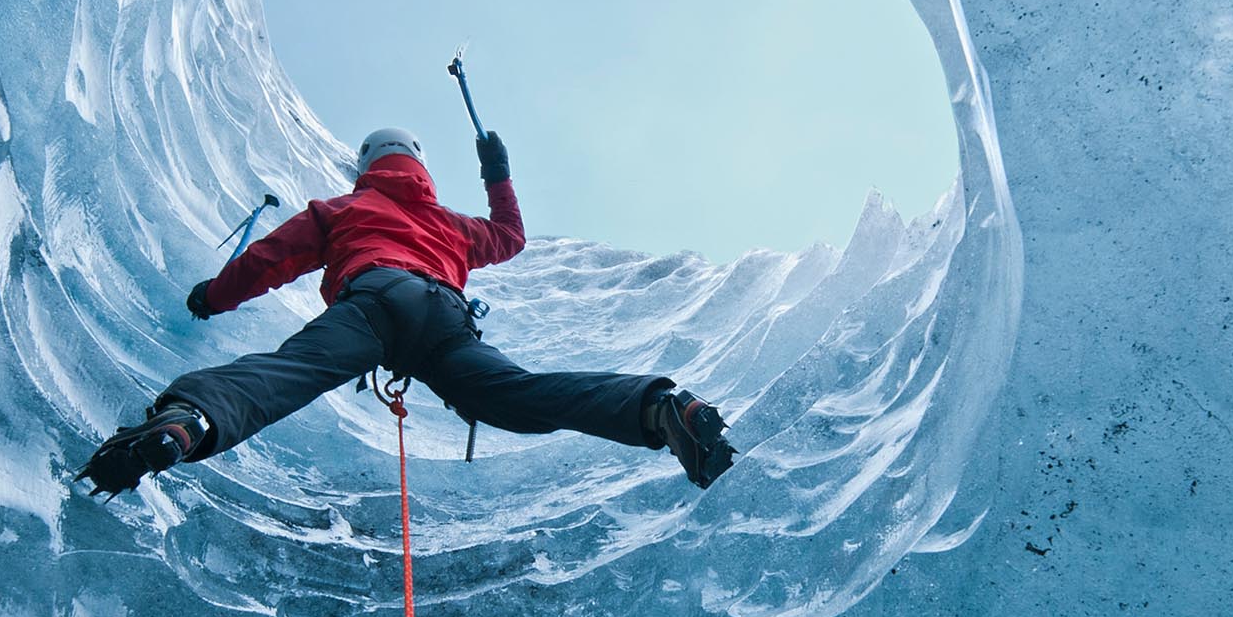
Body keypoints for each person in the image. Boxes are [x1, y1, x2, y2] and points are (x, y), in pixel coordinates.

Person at [75, 125, 738, 496]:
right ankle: (659, 408)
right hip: (445, 315)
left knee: (292, 373)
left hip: (374, 300)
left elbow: (272, 259)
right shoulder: (447, 221)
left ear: (365, 168)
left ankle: (188, 422)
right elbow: (509, 238)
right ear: (421, 168)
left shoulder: (344, 209)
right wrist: (497, 171)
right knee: (512, 395)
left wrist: (211, 297)